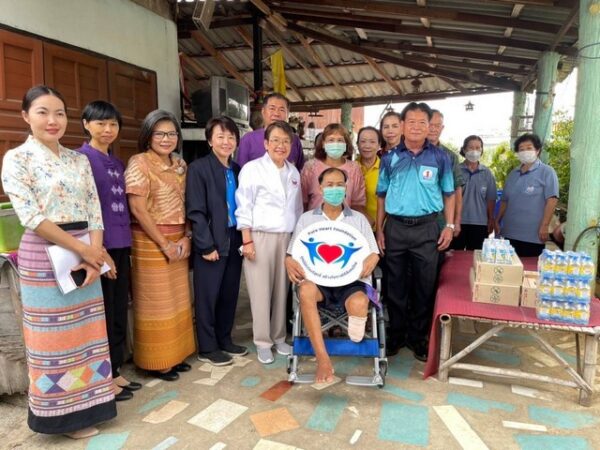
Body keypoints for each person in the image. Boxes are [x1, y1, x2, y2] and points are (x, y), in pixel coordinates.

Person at [1, 86, 115, 439]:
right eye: (42, 112)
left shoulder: (78, 159)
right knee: (53, 339)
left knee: (88, 334)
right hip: (45, 252)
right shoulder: (17, 159)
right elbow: (32, 216)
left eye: (60, 113)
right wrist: (84, 251)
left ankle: (91, 406)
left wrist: (94, 253)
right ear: (25, 116)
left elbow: (94, 209)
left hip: (85, 250)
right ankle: (61, 418)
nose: (53, 121)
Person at [376, 102, 455, 362]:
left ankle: (419, 337)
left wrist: (450, 226)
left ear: (430, 126)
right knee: (394, 284)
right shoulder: (389, 158)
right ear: (402, 125)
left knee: (425, 285)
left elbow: (449, 193)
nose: (417, 127)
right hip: (396, 227)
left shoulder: (441, 157)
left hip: (429, 227)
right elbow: (381, 196)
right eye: (412, 122)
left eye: (423, 122)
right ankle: (396, 335)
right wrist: (380, 231)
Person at [285, 168, 380, 382]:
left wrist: (374, 257)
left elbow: (373, 252)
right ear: (320, 188)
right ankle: (323, 359)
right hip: (318, 281)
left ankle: (355, 328)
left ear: (346, 188)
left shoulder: (359, 220)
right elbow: (293, 252)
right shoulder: (307, 219)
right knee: (306, 290)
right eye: (329, 184)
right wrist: (288, 260)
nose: (334, 189)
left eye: (340, 184)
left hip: (351, 280)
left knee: (357, 307)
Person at [125, 110, 195, 380]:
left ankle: (176, 356)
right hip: (149, 240)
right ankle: (157, 361)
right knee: (156, 303)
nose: (166, 139)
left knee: (178, 300)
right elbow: (138, 209)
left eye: (172, 133)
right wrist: (164, 242)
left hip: (179, 237)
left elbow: (187, 202)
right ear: (148, 135)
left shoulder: (180, 164)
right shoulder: (139, 163)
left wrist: (187, 236)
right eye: (160, 133)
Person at [78, 101, 141, 401]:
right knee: (102, 312)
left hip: (121, 243)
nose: (107, 129)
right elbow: (83, 210)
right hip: (97, 249)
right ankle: (103, 377)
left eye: (113, 124)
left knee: (118, 310)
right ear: (86, 124)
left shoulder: (117, 164)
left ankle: (115, 370)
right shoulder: (81, 159)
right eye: (100, 123)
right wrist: (99, 252)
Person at [235, 120, 303, 364]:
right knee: (260, 291)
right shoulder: (252, 169)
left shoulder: (293, 172)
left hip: (286, 238)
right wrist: (247, 240)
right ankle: (262, 341)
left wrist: (295, 243)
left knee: (281, 290)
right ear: (265, 143)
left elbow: (298, 209)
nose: (281, 145)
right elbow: (244, 206)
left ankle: (279, 337)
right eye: (275, 140)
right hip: (259, 237)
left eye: (286, 141)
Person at [186, 116, 247, 366]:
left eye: (231, 136)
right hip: (211, 239)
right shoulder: (199, 168)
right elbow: (196, 211)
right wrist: (206, 244)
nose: (226, 141)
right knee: (207, 295)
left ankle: (224, 338)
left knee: (229, 292)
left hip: (234, 237)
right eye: (220, 136)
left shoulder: (236, 169)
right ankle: (208, 347)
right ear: (210, 140)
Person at [495, 133, 559, 257]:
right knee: (510, 268)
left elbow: (552, 200)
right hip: (509, 233)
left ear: (538, 150)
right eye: (521, 149)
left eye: (529, 148)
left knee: (529, 271)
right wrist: (497, 220)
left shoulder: (547, 172)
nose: (525, 152)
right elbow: (504, 200)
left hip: (533, 235)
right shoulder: (513, 174)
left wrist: (545, 226)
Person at [301, 123, 366, 215]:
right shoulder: (310, 168)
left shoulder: (354, 169)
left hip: (345, 224)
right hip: (314, 223)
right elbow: (303, 201)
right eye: (331, 140)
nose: (336, 144)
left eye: (340, 140)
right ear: (323, 144)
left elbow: (358, 203)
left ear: (346, 144)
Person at [451, 135, 497, 250]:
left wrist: (491, 219)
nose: (474, 151)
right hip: (457, 223)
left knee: (476, 257)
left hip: (480, 224)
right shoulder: (456, 170)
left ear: (482, 151)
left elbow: (491, 199)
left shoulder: (487, 173)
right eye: (471, 148)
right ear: (464, 149)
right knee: (455, 257)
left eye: (478, 148)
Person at [236, 93, 304, 170]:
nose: (276, 113)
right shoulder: (248, 139)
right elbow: (240, 171)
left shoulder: (294, 140)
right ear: (263, 111)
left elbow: (299, 171)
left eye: (281, 110)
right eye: (272, 108)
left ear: (287, 114)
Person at [428, 110, 465, 238]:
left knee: (439, 256)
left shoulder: (450, 156)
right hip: (415, 222)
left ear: (442, 128)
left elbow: (457, 190)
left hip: (441, 221)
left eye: (437, 125)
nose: (433, 129)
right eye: (429, 124)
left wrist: (456, 221)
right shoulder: (413, 153)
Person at [356, 126, 383, 228]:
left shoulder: (386, 170)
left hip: (380, 229)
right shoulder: (350, 169)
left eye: (372, 142)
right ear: (357, 145)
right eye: (363, 141)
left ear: (379, 145)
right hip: (354, 229)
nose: (367, 146)